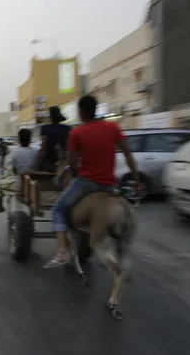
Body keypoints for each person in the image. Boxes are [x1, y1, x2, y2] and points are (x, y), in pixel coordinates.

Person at [46, 95, 140, 268]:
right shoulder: (113, 128)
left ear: (81, 113)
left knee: (58, 209)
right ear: (95, 110)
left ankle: (63, 251)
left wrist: (75, 174)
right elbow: (127, 153)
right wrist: (136, 178)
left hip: (86, 183)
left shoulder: (77, 133)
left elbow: (73, 162)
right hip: (110, 185)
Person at [0, 129, 37, 214]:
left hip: (19, 184)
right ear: (30, 139)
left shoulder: (15, 152)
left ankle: (0, 207)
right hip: (34, 182)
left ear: (19, 139)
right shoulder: (36, 152)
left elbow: (14, 170)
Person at [35, 106, 71, 172]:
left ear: (50, 116)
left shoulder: (45, 128)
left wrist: (37, 166)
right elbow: (68, 149)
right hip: (62, 165)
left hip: (48, 165)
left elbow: (43, 149)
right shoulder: (67, 129)